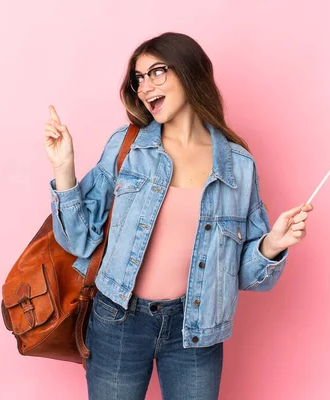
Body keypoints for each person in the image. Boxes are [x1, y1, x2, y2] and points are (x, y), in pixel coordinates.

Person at [43, 32, 312, 400]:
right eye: (138, 78)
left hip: (196, 328)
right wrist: (64, 169)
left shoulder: (238, 166)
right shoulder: (128, 147)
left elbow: (250, 277)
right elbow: (77, 240)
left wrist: (273, 245)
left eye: (156, 72)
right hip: (118, 318)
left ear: (188, 72)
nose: (144, 86)